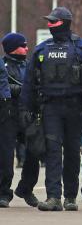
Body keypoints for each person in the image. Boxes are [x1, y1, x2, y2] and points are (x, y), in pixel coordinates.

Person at [20, 7, 82, 211]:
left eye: (54, 21)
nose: (50, 25)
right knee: (52, 151)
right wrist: (25, 107)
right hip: (50, 107)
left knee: (72, 152)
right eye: (49, 21)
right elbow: (29, 82)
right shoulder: (42, 49)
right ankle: (53, 197)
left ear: (65, 22)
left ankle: (70, 197)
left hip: (76, 107)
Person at [2, 33, 40, 208]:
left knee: (35, 151)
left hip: (27, 115)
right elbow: (4, 88)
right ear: (12, 48)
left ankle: (26, 188)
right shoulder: (3, 65)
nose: (26, 48)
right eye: (23, 45)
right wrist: (22, 90)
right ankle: (3, 192)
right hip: (8, 116)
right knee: (6, 156)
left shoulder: (29, 65)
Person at [0, 36, 15, 208]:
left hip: (3, 111)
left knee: (5, 153)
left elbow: (2, 83)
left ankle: (4, 192)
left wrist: (5, 103)